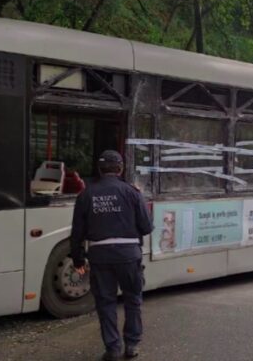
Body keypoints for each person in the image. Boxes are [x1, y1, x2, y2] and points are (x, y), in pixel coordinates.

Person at [70, 150, 154, 361]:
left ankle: (113, 349)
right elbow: (146, 227)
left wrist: (78, 260)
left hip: (100, 257)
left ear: (99, 169)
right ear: (120, 169)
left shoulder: (86, 194)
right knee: (133, 300)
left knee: (106, 302)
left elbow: (77, 232)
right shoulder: (132, 192)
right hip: (129, 255)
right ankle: (132, 345)